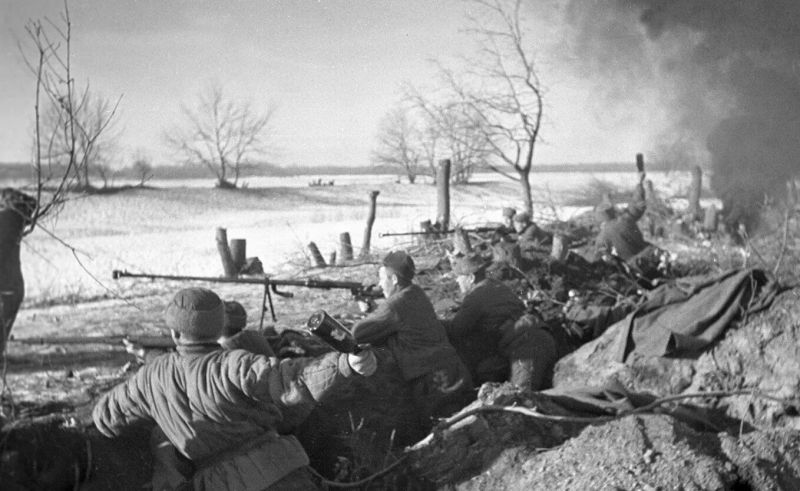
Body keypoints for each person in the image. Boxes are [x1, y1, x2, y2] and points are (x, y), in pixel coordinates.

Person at [93, 287, 377, 491]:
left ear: (174, 332)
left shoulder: (150, 377)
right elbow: (292, 379)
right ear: (219, 329)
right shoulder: (233, 364)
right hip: (281, 471)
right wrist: (344, 363)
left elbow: (105, 418)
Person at [351, 251, 473, 428]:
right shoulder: (415, 292)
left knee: (448, 431)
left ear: (394, 280)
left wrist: (366, 310)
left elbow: (357, 333)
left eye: (382, 279)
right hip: (453, 370)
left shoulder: (394, 305)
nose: (380, 284)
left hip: (434, 381)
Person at [443, 254, 557, 391]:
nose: (457, 282)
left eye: (459, 278)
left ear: (471, 278)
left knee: (521, 395)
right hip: (537, 337)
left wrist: (435, 323)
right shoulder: (497, 286)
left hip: (526, 345)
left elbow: (457, 329)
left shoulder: (476, 295)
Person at [593, 171, 665, 280]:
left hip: (634, 269)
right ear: (612, 213)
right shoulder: (625, 219)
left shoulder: (602, 237)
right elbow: (637, 205)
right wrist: (639, 183)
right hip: (651, 255)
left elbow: (601, 258)